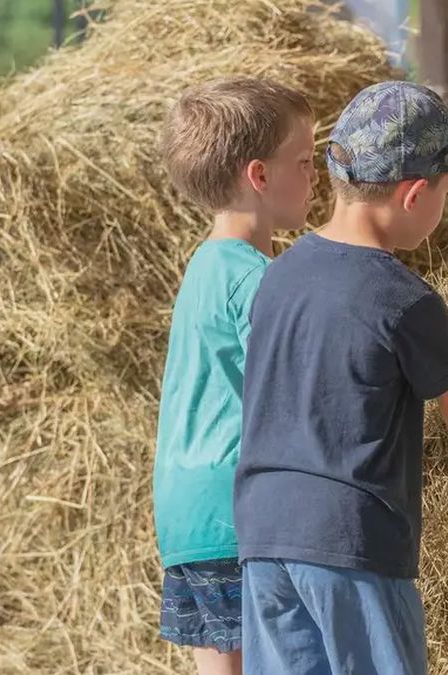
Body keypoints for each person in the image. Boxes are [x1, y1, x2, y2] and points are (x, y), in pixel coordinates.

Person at [235, 81, 448, 674]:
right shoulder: (406, 301)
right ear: (415, 195)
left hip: (264, 536)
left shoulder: (277, 277)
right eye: (446, 192)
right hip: (352, 541)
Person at [153, 76, 316, 675]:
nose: (315, 174)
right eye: (303, 160)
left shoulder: (203, 265)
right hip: (237, 512)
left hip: (187, 512)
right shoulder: (257, 278)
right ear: (259, 177)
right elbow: (293, 390)